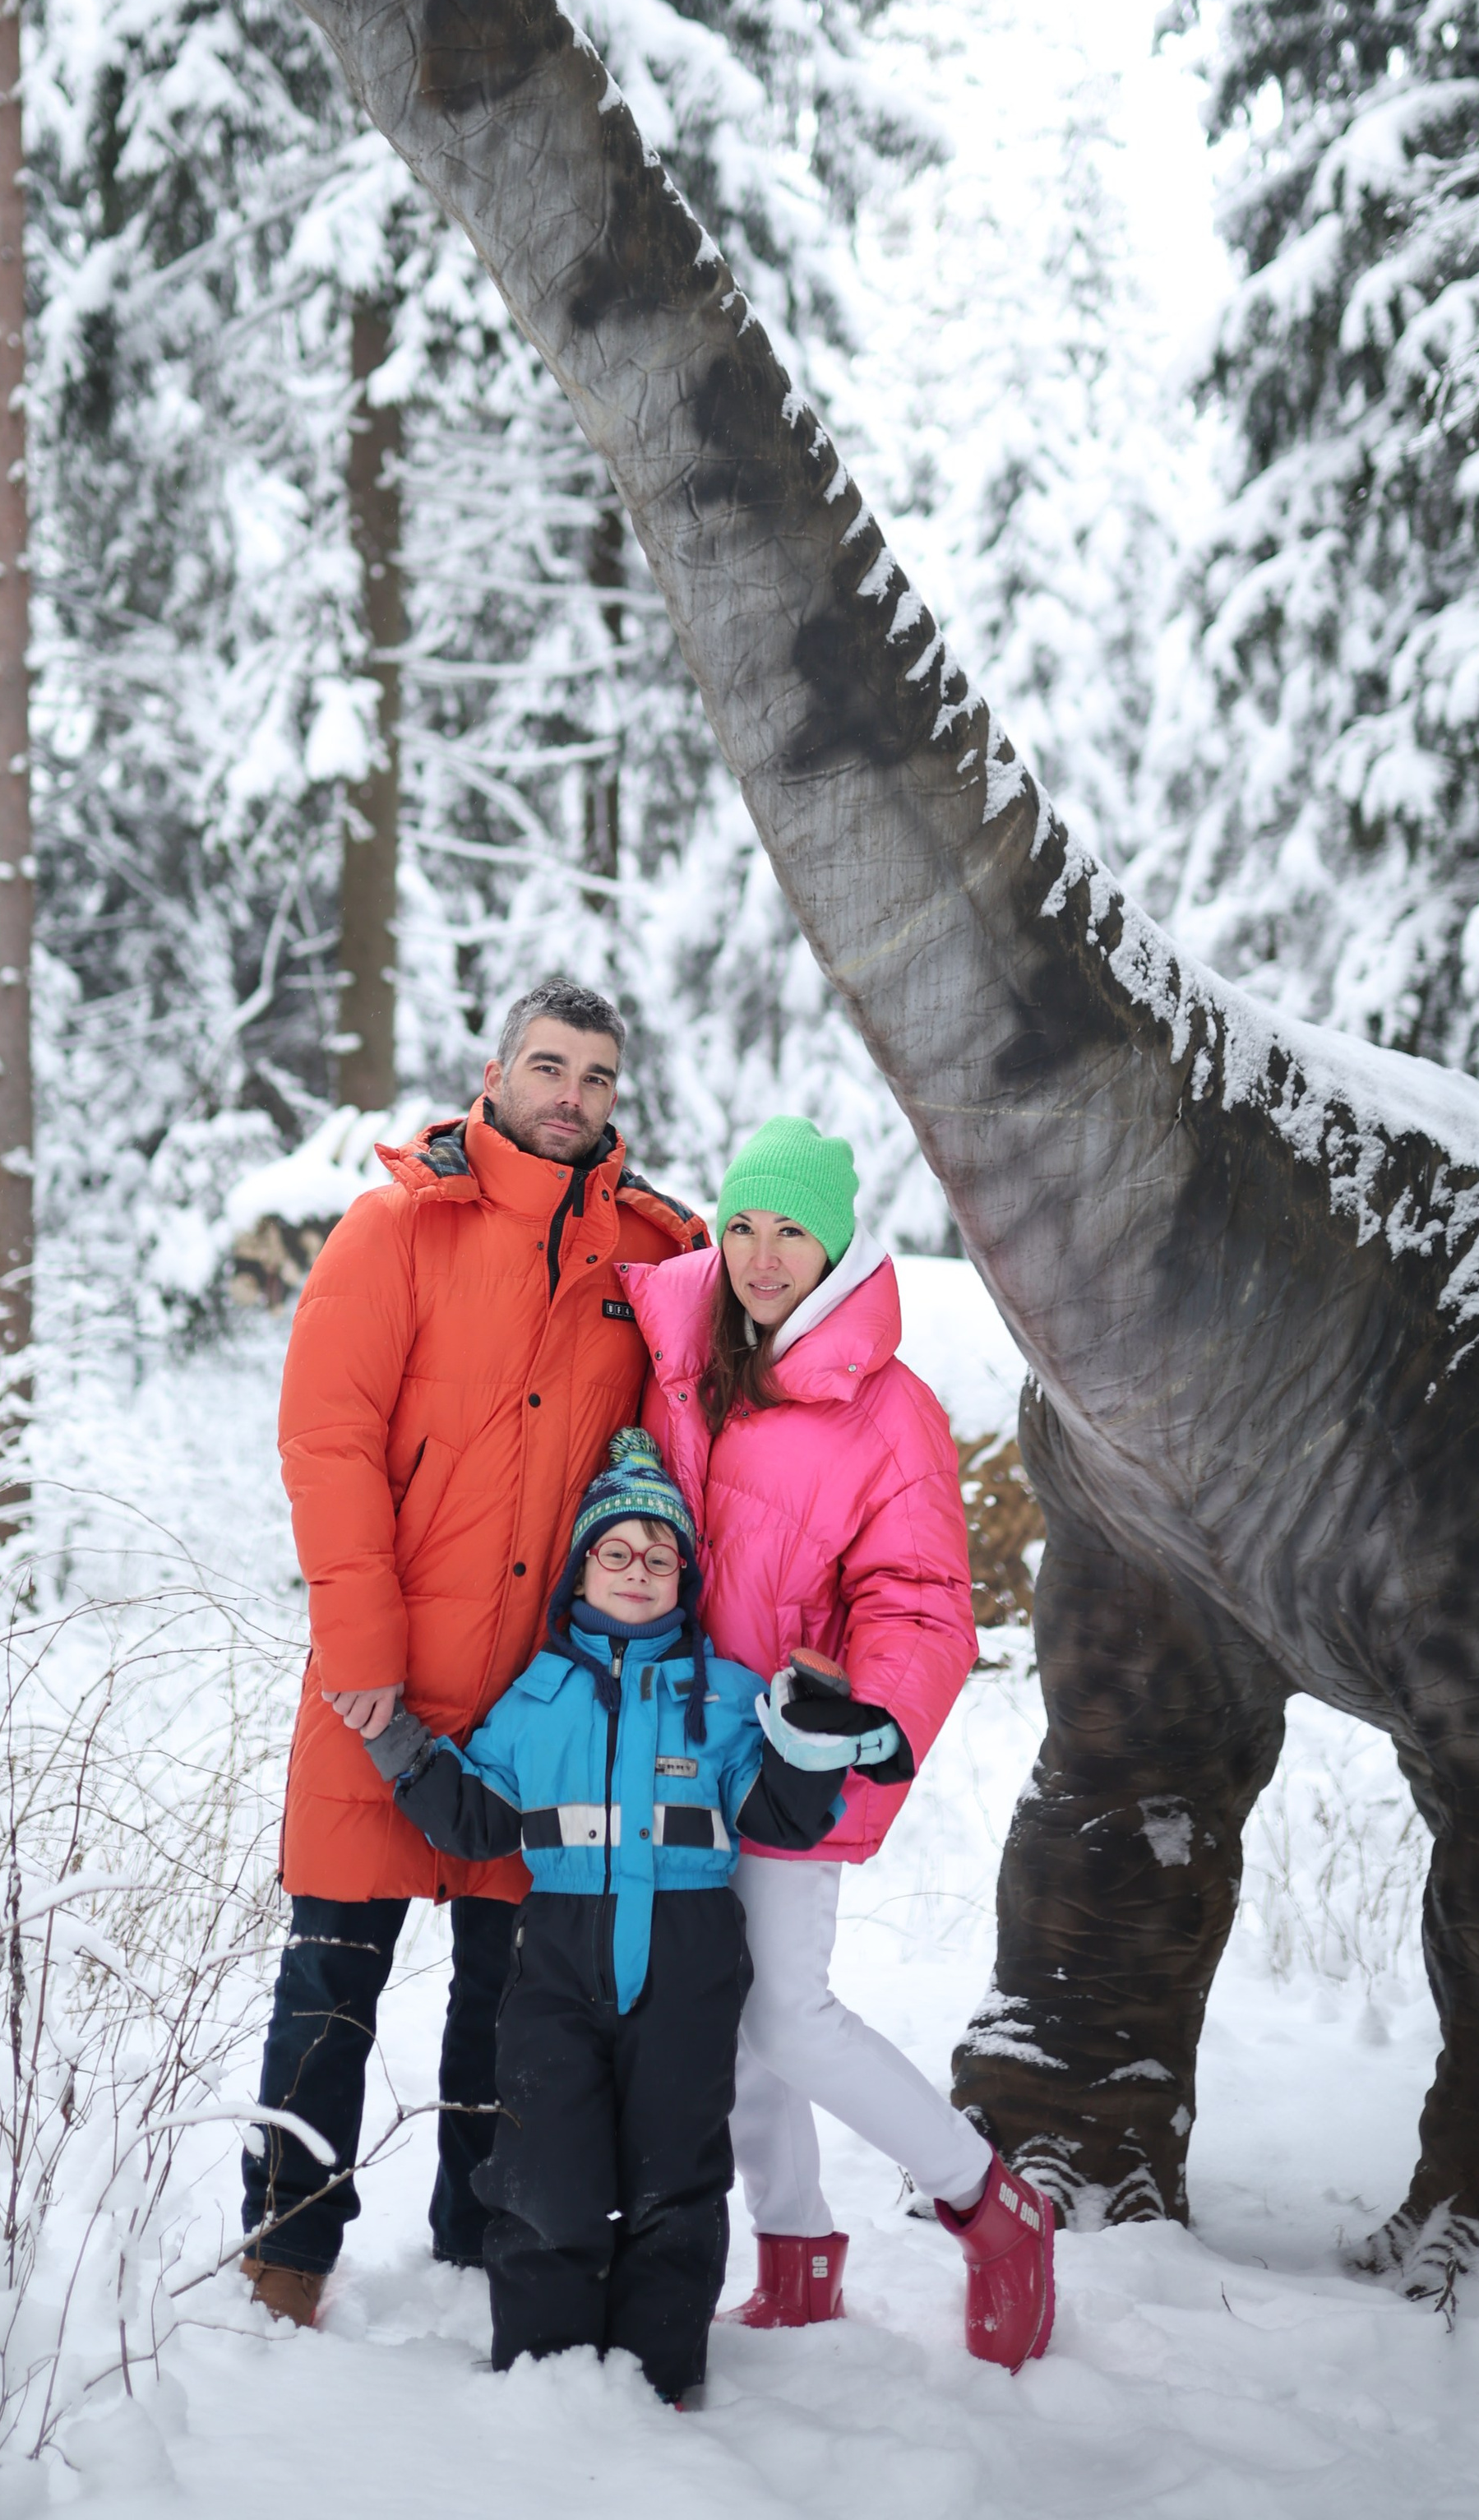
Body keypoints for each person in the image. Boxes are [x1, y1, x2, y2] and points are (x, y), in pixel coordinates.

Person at [238, 980, 707, 2326]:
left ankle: (479, 2245)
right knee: (331, 1977)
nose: (573, 1095)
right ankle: (286, 2257)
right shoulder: (395, 1228)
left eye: (598, 1076)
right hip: (382, 1682)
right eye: (549, 1066)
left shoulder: (652, 1256)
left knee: (515, 2002)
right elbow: (327, 1443)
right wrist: (360, 1645)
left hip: (543, 1705)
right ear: (494, 1075)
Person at [624, 1115, 1057, 2370]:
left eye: (792, 1233)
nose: (763, 1257)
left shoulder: (889, 1409)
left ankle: (992, 2205)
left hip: (792, 1756)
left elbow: (922, 1604)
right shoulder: (686, 1356)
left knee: (790, 2017)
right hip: (684, 1742)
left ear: (835, 1246)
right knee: (731, 2012)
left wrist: (855, 1727)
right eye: (744, 1228)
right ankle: (796, 2254)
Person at [358, 1436, 853, 2404]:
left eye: (659, 1556)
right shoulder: (537, 1696)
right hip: (556, 1964)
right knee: (546, 2167)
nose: (637, 1570)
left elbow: (781, 1817)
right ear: (580, 1570)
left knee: (677, 2173)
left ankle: (659, 2379)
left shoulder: (727, 1695)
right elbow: (479, 1821)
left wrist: (813, 1735)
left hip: (688, 1962)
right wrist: (398, 1744)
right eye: (615, 1551)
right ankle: (544, 2375)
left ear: (684, 1578)